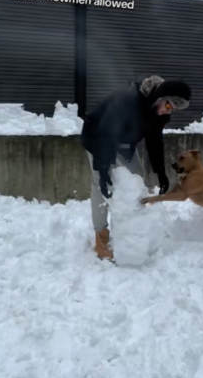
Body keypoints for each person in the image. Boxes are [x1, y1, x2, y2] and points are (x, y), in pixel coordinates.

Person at [80, 75, 191, 261]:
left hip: (124, 143)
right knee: (101, 185)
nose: (168, 111)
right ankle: (101, 237)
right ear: (160, 97)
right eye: (169, 106)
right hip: (97, 138)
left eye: (173, 109)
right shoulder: (128, 99)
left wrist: (160, 172)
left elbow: (154, 141)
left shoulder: (158, 113)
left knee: (136, 177)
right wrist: (103, 170)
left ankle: (132, 226)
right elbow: (104, 135)